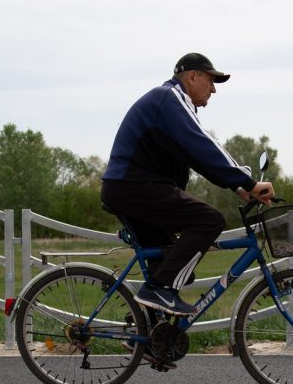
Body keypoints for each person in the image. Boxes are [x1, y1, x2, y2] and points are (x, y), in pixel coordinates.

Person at [101, 52, 275, 316]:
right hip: (134, 187)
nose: (214, 89)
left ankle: (150, 331)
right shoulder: (169, 98)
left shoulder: (171, 105)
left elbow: (197, 158)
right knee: (210, 220)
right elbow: (202, 145)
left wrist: (239, 187)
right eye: (211, 80)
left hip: (130, 189)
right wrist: (248, 182)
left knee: (170, 261)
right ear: (192, 77)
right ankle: (159, 291)